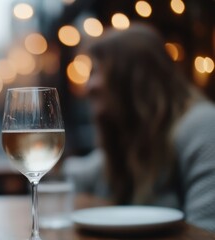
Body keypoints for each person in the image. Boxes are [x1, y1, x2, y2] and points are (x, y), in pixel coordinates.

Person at [63, 23, 215, 232]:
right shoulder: (136, 131)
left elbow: (207, 229)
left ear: (131, 77)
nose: (89, 86)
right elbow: (80, 173)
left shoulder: (203, 126)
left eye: (96, 71)